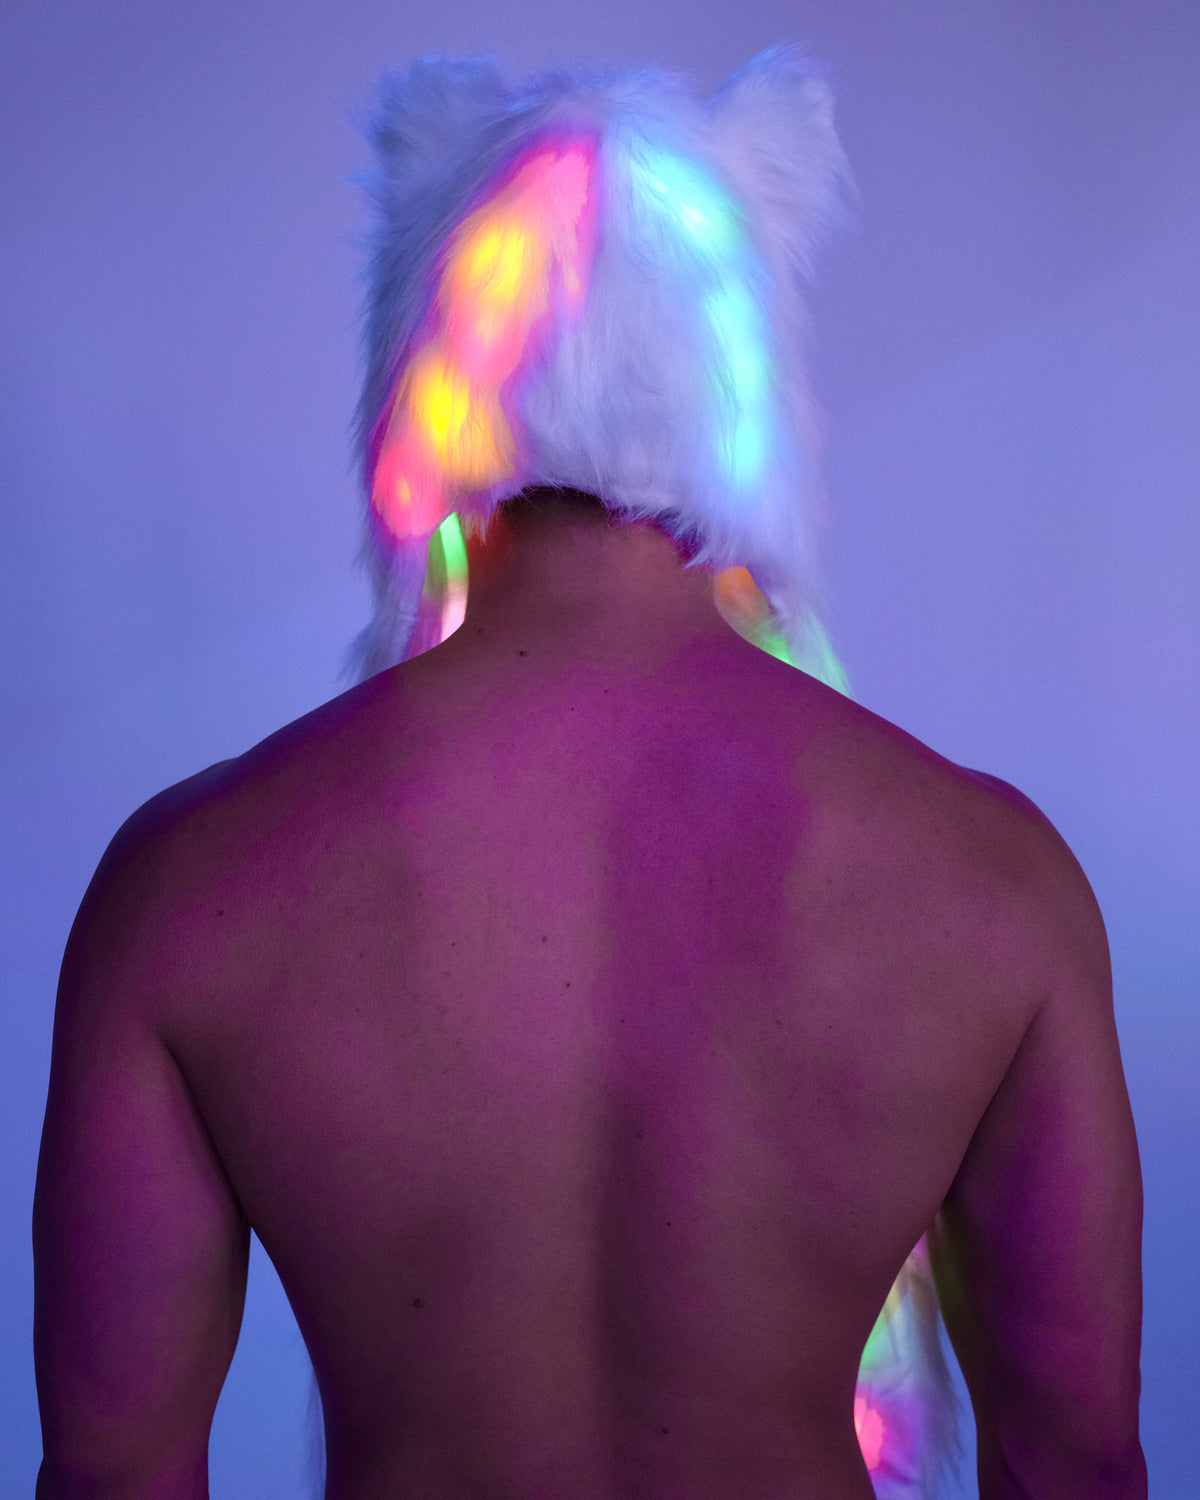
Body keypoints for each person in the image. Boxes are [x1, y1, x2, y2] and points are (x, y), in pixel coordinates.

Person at [33, 49, 1146, 1500]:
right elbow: (1073, 1461)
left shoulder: (191, 889)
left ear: (425, 385)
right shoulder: (994, 886)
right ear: (744, 393)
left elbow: (113, 1471)